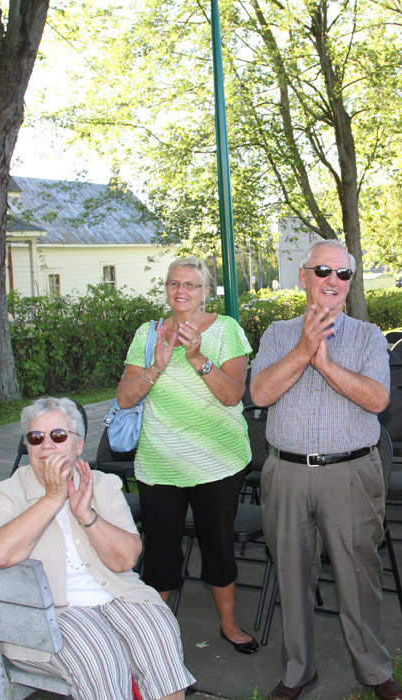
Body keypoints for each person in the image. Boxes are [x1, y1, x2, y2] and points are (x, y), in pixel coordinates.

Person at [249, 239, 402, 700]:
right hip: (287, 475)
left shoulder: (367, 335)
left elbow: (378, 399)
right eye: (323, 271)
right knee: (292, 575)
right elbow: (259, 394)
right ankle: (299, 670)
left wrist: (324, 363)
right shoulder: (277, 335)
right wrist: (302, 351)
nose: (333, 282)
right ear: (303, 277)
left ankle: (375, 670)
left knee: (359, 575)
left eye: (343, 274)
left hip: (351, 473)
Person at [0, 397, 194, 700]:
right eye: (36, 437)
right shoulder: (8, 492)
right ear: (27, 447)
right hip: (49, 611)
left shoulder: (104, 485)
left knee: (158, 631)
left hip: (116, 594)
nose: (46, 445)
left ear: (78, 445)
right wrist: (52, 499)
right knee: (102, 655)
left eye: (58, 435)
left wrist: (87, 516)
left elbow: (126, 559)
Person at [115, 257, 256, 654]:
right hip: (159, 464)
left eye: (191, 284)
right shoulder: (148, 333)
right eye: (174, 283)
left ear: (205, 291)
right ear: (166, 289)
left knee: (218, 546)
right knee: (160, 552)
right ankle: (156, 638)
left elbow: (233, 395)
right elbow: (125, 399)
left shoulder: (226, 329)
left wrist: (196, 358)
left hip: (218, 463)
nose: (182, 291)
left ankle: (229, 625)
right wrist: (155, 368)